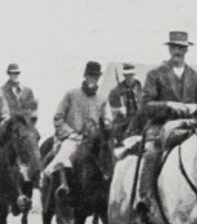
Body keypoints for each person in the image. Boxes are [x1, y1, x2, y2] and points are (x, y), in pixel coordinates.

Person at [135, 31, 197, 218]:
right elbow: (145, 105)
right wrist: (168, 105)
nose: (178, 51)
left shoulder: (196, 76)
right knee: (152, 153)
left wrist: (196, 107)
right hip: (162, 126)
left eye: (181, 47)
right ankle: (145, 198)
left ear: (186, 50)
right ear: (169, 49)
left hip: (190, 127)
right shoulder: (155, 74)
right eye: (175, 47)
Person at [43, 61, 110, 206]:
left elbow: (107, 119)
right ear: (85, 76)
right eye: (91, 76)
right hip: (73, 137)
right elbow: (58, 117)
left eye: (96, 77)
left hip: (93, 139)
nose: (93, 79)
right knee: (64, 154)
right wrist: (69, 133)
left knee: (110, 156)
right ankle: (63, 186)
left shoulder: (102, 98)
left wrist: (103, 129)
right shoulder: (71, 94)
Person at [107, 63, 142, 143]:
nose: (129, 77)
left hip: (138, 125)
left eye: (131, 75)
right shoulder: (115, 92)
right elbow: (108, 112)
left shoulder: (140, 89)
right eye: (127, 75)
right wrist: (118, 110)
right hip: (123, 126)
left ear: (134, 74)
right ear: (124, 76)